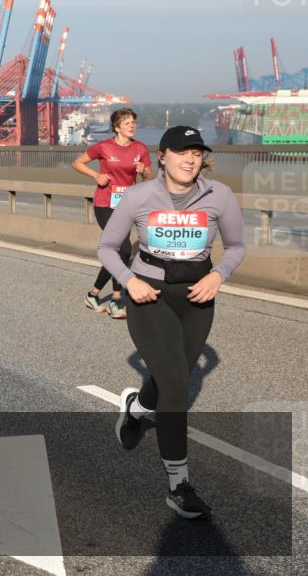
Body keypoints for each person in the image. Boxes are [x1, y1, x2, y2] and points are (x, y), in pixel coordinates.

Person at [100, 125, 245, 520]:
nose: (190, 159)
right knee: (178, 383)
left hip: (198, 297)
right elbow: (108, 247)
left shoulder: (220, 196)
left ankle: (134, 409)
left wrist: (219, 275)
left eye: (197, 153)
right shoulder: (139, 195)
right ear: (161, 156)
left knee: (169, 378)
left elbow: (235, 246)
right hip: (150, 296)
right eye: (181, 152)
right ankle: (178, 486)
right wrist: (130, 282)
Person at [72, 108, 153, 319]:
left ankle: (93, 294)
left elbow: (149, 179)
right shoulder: (104, 147)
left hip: (127, 205)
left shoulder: (140, 148)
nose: (132, 126)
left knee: (121, 252)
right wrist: (96, 175)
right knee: (123, 248)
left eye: (133, 122)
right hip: (105, 204)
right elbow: (78, 163)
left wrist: (144, 170)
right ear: (117, 128)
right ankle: (117, 300)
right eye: (127, 123)